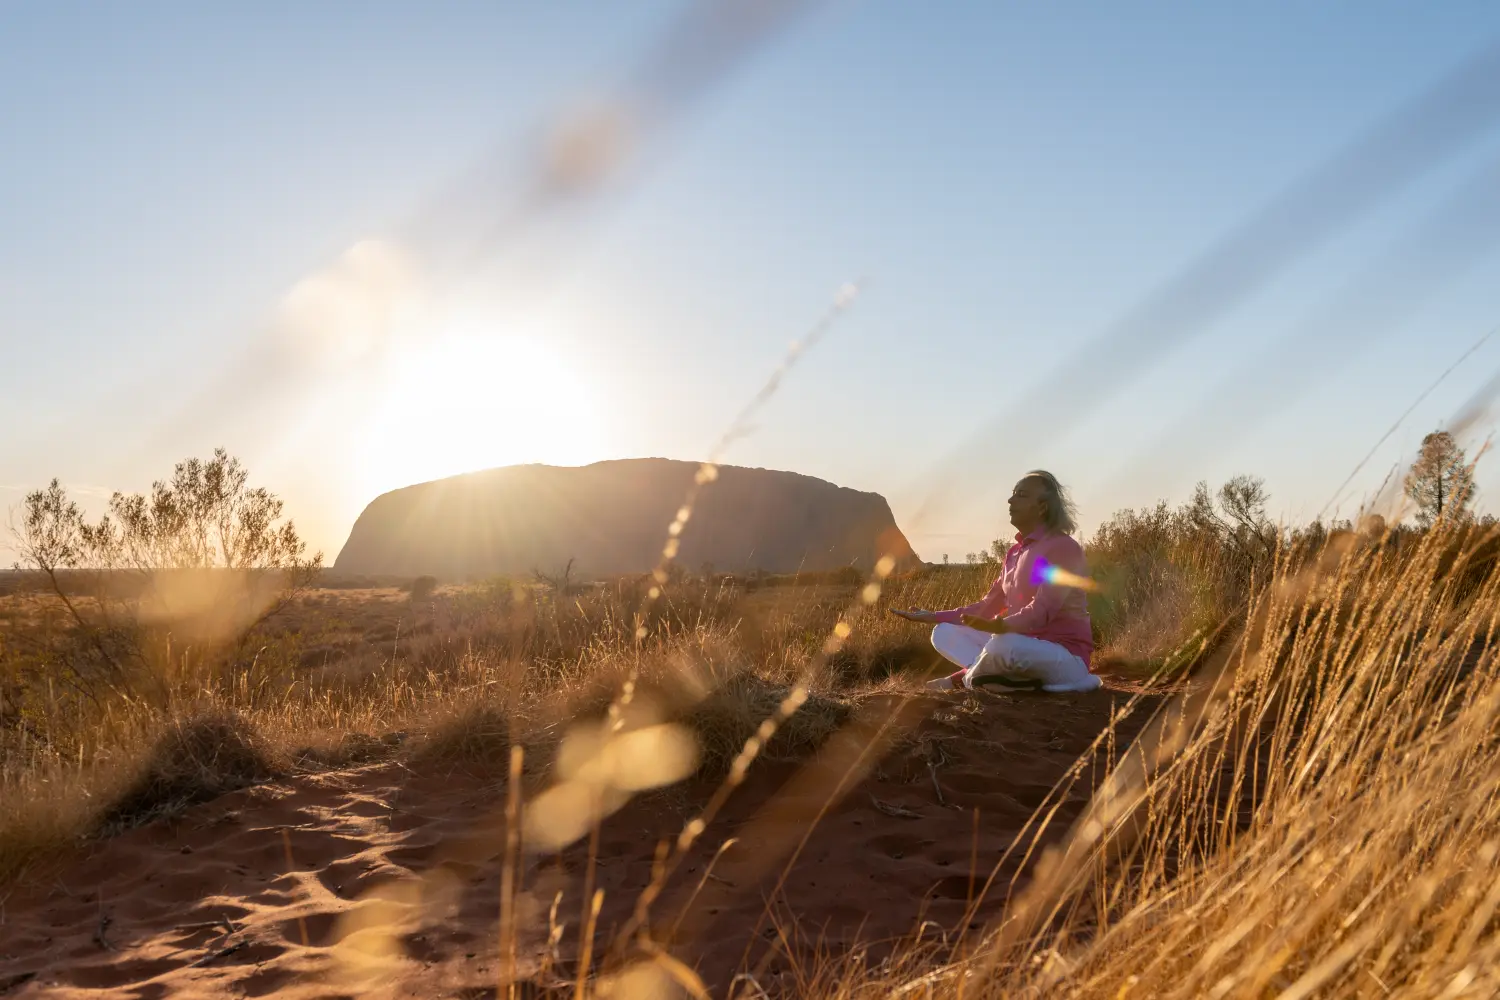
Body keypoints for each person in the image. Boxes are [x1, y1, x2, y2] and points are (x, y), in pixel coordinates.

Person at [891, 471, 1101, 693]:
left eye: (1021, 495)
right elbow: (986, 607)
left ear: (1042, 507)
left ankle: (967, 679)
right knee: (944, 632)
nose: (1010, 500)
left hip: (1064, 657)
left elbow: (1042, 612)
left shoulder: (1061, 547)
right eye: (1012, 494)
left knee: (1003, 644)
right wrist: (932, 616)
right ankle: (1002, 679)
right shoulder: (1014, 553)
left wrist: (998, 627)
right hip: (1021, 647)